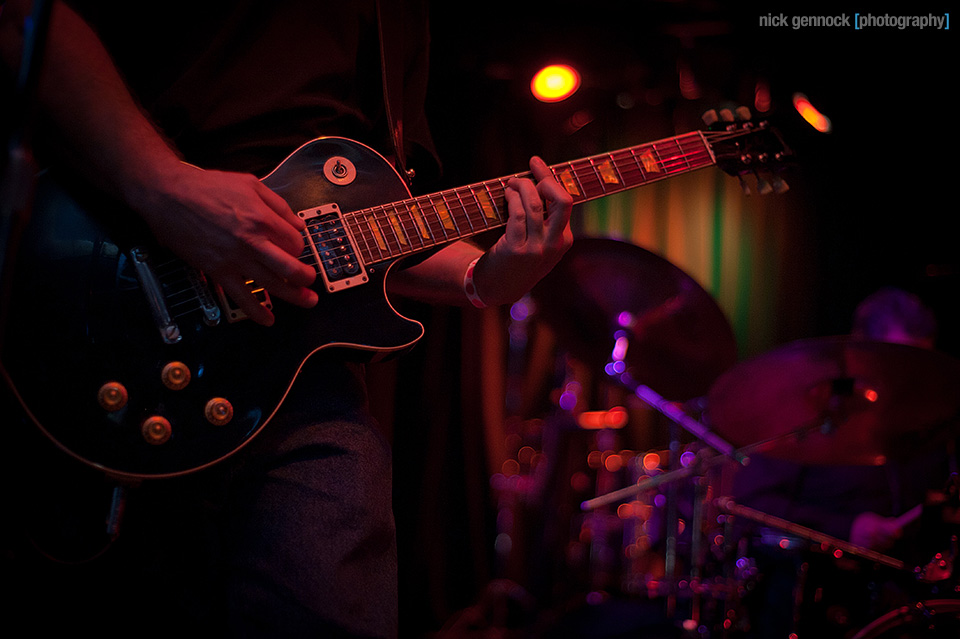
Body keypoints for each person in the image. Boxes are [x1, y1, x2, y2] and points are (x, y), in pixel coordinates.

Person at [0, 1, 573, 637]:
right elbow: (29, 17)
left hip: (302, 382)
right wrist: (160, 184)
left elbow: (376, 225)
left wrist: (484, 278)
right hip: (98, 289)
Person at [729, 287, 955, 637]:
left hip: (911, 603)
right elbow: (751, 502)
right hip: (821, 604)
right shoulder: (813, 421)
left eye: (921, 363)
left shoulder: (933, 427)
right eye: (900, 361)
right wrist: (845, 527)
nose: (912, 376)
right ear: (864, 353)